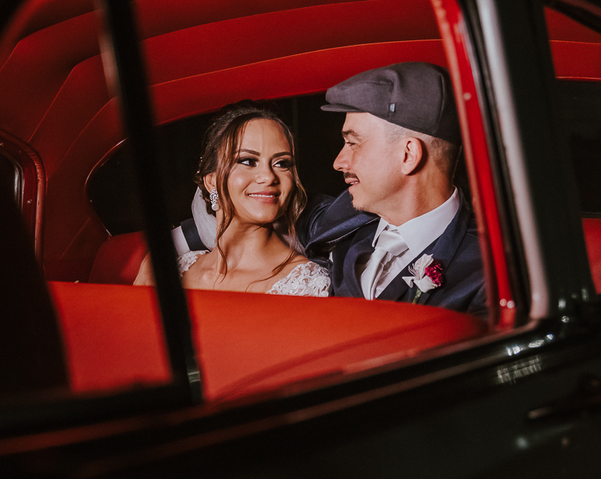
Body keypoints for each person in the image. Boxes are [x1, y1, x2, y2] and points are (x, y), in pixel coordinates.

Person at [180, 64, 485, 313]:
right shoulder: (340, 217)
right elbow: (246, 209)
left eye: (353, 143)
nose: (339, 162)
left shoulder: (486, 274)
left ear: (408, 155)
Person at [135, 101, 330, 296]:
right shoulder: (175, 270)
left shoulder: (306, 283)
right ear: (211, 181)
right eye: (248, 161)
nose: (269, 176)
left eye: (281, 163)